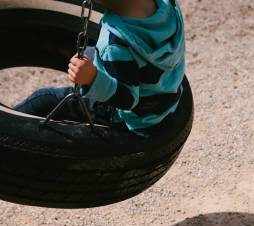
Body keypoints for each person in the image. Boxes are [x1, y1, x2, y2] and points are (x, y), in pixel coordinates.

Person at [14, 0, 185, 134]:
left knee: (44, 98)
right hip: (165, 93)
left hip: (133, 117)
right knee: (87, 52)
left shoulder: (115, 45)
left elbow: (127, 98)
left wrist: (92, 78)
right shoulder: (167, 5)